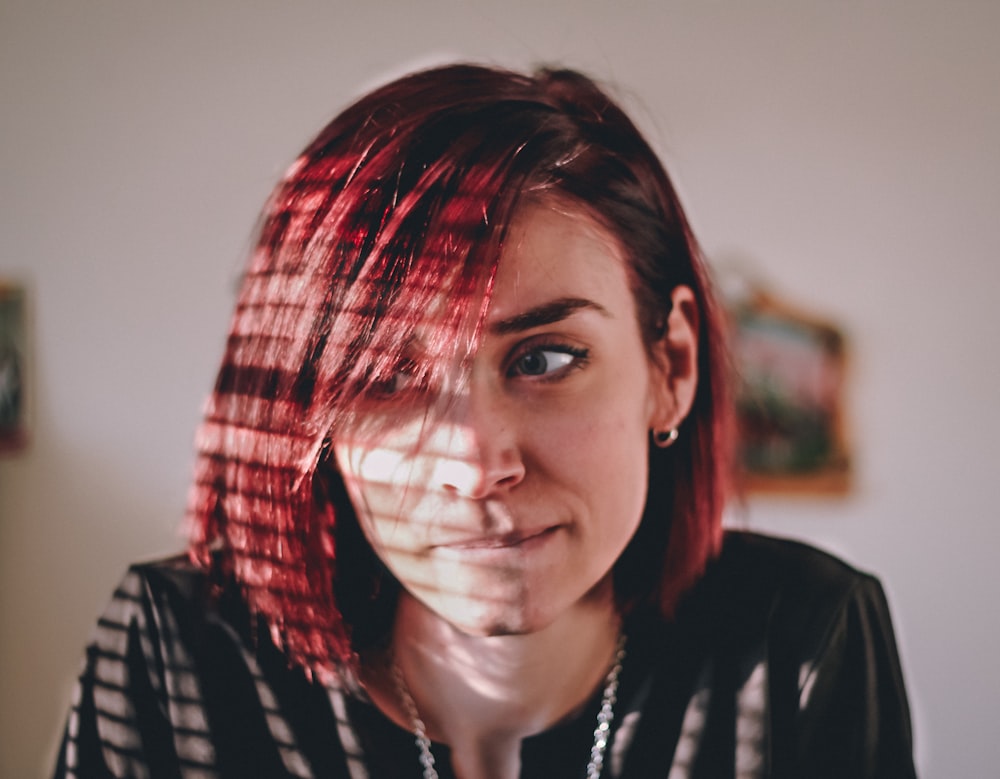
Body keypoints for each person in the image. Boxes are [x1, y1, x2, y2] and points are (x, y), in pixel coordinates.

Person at [53, 64, 916, 778]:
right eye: (388, 376)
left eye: (544, 358)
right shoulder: (178, 658)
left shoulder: (800, 639)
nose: (476, 462)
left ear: (671, 367)